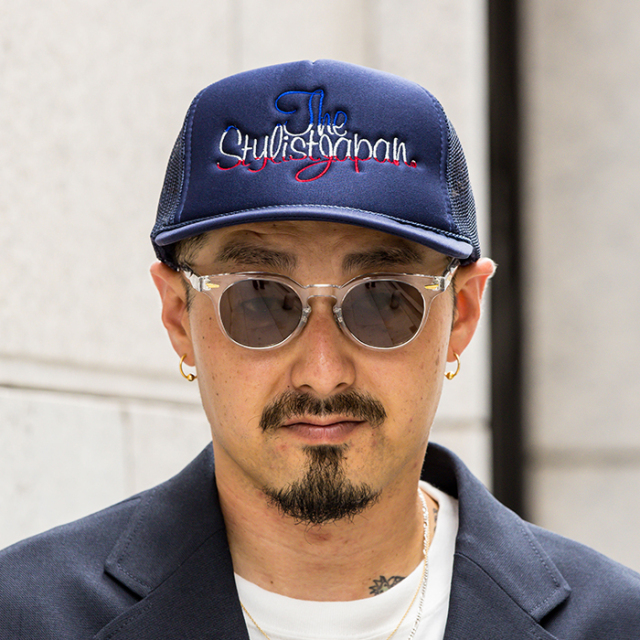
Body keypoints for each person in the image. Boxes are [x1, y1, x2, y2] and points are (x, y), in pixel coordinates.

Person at [1, 59, 638, 640]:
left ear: (462, 313)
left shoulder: (614, 622)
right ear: (178, 316)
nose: (323, 373)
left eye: (383, 300)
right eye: (259, 301)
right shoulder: (26, 616)